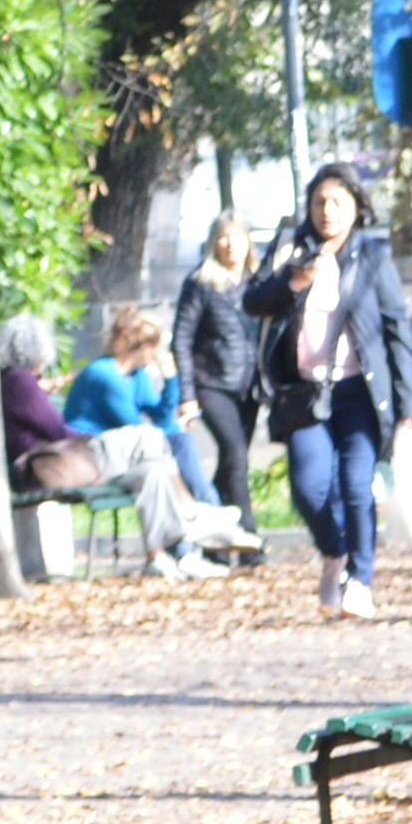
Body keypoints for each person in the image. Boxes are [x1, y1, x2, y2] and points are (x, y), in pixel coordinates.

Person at [251, 166, 412, 622]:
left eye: (337, 202)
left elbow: (396, 330)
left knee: (355, 486)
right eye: (319, 203)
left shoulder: (372, 257)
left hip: (359, 393)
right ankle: (335, 554)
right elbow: (252, 301)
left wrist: (410, 405)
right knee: (308, 490)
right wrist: (293, 280)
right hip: (306, 395)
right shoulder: (292, 250)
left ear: (355, 206)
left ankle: (361, 581)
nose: (327, 212)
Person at [15, 311, 235, 574]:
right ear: (141, 347)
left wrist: (171, 380)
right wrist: (172, 424)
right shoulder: (104, 376)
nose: (157, 355)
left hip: (114, 456)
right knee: (159, 439)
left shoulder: (136, 376)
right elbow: (139, 427)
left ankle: (174, 556)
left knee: (156, 468)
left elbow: (160, 416)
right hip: (88, 454)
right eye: (155, 348)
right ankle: (200, 511)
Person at [166, 217, 269, 564]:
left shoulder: (259, 282)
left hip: (249, 388)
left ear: (248, 243)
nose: (229, 245)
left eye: (236, 238)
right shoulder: (200, 284)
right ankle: (250, 541)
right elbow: (181, 339)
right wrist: (187, 393)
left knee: (230, 464)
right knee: (236, 454)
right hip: (211, 383)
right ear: (213, 243)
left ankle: (212, 537)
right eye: (222, 239)